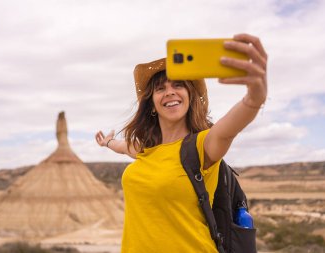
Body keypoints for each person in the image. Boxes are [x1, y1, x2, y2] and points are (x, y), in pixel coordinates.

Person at [96, 33, 267, 253]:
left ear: (190, 97)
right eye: (160, 88)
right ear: (152, 104)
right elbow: (123, 146)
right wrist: (107, 142)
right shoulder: (145, 149)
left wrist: (254, 99)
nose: (170, 92)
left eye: (178, 85)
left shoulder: (203, 146)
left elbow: (228, 129)